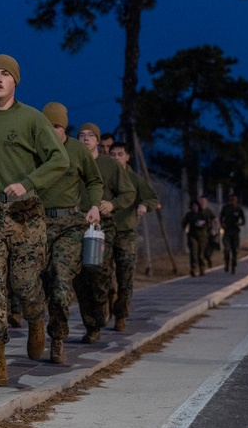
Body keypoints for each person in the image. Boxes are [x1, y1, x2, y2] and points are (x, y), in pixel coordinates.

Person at [0, 54, 69, 387]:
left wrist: (29, 182)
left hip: (25, 215)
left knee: (25, 284)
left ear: (15, 81)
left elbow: (60, 159)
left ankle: (36, 318)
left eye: (4, 75)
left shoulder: (32, 119)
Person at [39, 102, 103, 363]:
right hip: (38, 224)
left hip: (70, 224)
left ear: (64, 127)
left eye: (56, 126)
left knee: (61, 281)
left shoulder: (77, 151)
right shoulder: (35, 149)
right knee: (37, 285)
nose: (52, 130)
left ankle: (57, 338)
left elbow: (94, 180)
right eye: (48, 125)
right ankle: (36, 326)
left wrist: (95, 206)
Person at [73, 122, 135, 343]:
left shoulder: (110, 166)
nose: (86, 139)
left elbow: (128, 193)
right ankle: (92, 326)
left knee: (99, 272)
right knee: (80, 278)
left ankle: (103, 308)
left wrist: (112, 204)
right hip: (75, 226)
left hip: (102, 228)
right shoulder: (71, 163)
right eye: (81, 135)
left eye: (90, 135)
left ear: (98, 141)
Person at [108, 141, 159, 331]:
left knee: (125, 276)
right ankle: (109, 300)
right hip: (104, 231)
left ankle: (121, 315)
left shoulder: (135, 179)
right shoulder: (104, 176)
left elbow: (152, 197)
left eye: (120, 154)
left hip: (126, 232)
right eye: (112, 155)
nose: (116, 158)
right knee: (102, 275)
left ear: (127, 157)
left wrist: (144, 205)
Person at [182, 200, 212, 276]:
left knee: (200, 253)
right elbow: (184, 223)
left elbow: (208, 223)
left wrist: (202, 225)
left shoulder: (203, 214)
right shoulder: (189, 215)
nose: (194, 207)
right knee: (193, 252)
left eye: (196, 206)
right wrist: (185, 229)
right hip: (192, 235)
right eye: (193, 206)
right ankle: (193, 268)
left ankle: (202, 268)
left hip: (202, 236)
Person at [219, 193, 246, 274]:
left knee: (235, 250)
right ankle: (226, 263)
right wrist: (222, 225)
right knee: (227, 249)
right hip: (227, 231)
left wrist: (239, 224)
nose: (232, 202)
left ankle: (233, 265)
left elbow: (243, 221)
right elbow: (220, 218)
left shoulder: (239, 209)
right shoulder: (225, 208)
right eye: (231, 200)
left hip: (235, 232)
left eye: (234, 200)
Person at [198, 195, 220, 266]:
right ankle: (203, 262)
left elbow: (215, 220)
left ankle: (208, 258)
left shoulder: (208, 211)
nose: (202, 203)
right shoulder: (197, 211)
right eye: (201, 201)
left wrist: (215, 230)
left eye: (204, 201)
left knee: (210, 247)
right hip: (200, 233)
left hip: (208, 232)